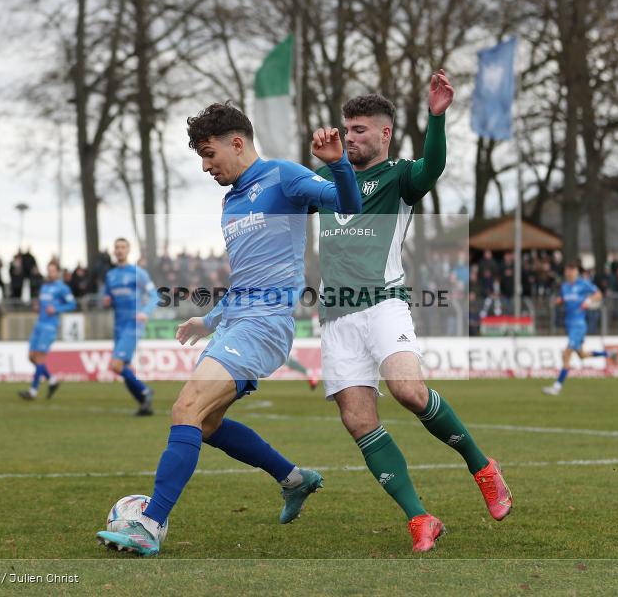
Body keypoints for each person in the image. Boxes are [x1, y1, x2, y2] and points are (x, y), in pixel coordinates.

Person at [95, 101, 362, 557]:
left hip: (266, 325)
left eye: (208, 153)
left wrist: (338, 164)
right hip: (236, 322)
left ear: (236, 143)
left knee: (186, 409)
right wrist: (211, 318)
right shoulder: (231, 201)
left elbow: (351, 207)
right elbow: (247, 277)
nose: (205, 166)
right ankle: (294, 479)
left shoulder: (284, 176)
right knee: (208, 422)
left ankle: (150, 524)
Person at [313, 76, 510, 553]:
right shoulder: (322, 180)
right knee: (358, 421)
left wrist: (437, 117)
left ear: (384, 134)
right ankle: (421, 517)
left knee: (408, 390)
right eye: (346, 128)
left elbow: (434, 165)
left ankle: (482, 467)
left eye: (359, 129)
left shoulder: (399, 176)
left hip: (383, 302)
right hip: (335, 317)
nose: (349, 136)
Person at [542, 261, 618, 396]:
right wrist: (559, 301)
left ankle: (557, 386)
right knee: (582, 355)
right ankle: (609, 354)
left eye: (572, 270)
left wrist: (588, 301)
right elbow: (566, 299)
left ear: (576, 272)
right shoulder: (565, 287)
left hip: (579, 325)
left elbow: (598, 294)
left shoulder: (583, 284)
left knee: (566, 354)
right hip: (569, 324)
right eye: (568, 270)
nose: (569, 273)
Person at [101, 238, 158, 416]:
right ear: (113, 251)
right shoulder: (111, 276)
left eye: (123, 247)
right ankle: (144, 404)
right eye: (117, 247)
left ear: (128, 250)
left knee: (116, 365)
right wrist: (106, 301)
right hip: (118, 325)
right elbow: (106, 298)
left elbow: (155, 296)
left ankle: (145, 391)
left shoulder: (138, 273)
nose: (119, 250)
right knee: (124, 366)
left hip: (133, 325)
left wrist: (145, 312)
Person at [18, 261, 76, 401]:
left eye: (52, 271)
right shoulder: (44, 287)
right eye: (48, 270)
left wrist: (56, 309)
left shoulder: (62, 288)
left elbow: (72, 304)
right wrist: (38, 306)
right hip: (39, 324)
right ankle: (52, 380)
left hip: (50, 327)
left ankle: (33, 391)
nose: (50, 273)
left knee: (39, 357)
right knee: (31, 357)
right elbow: (43, 304)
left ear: (57, 272)